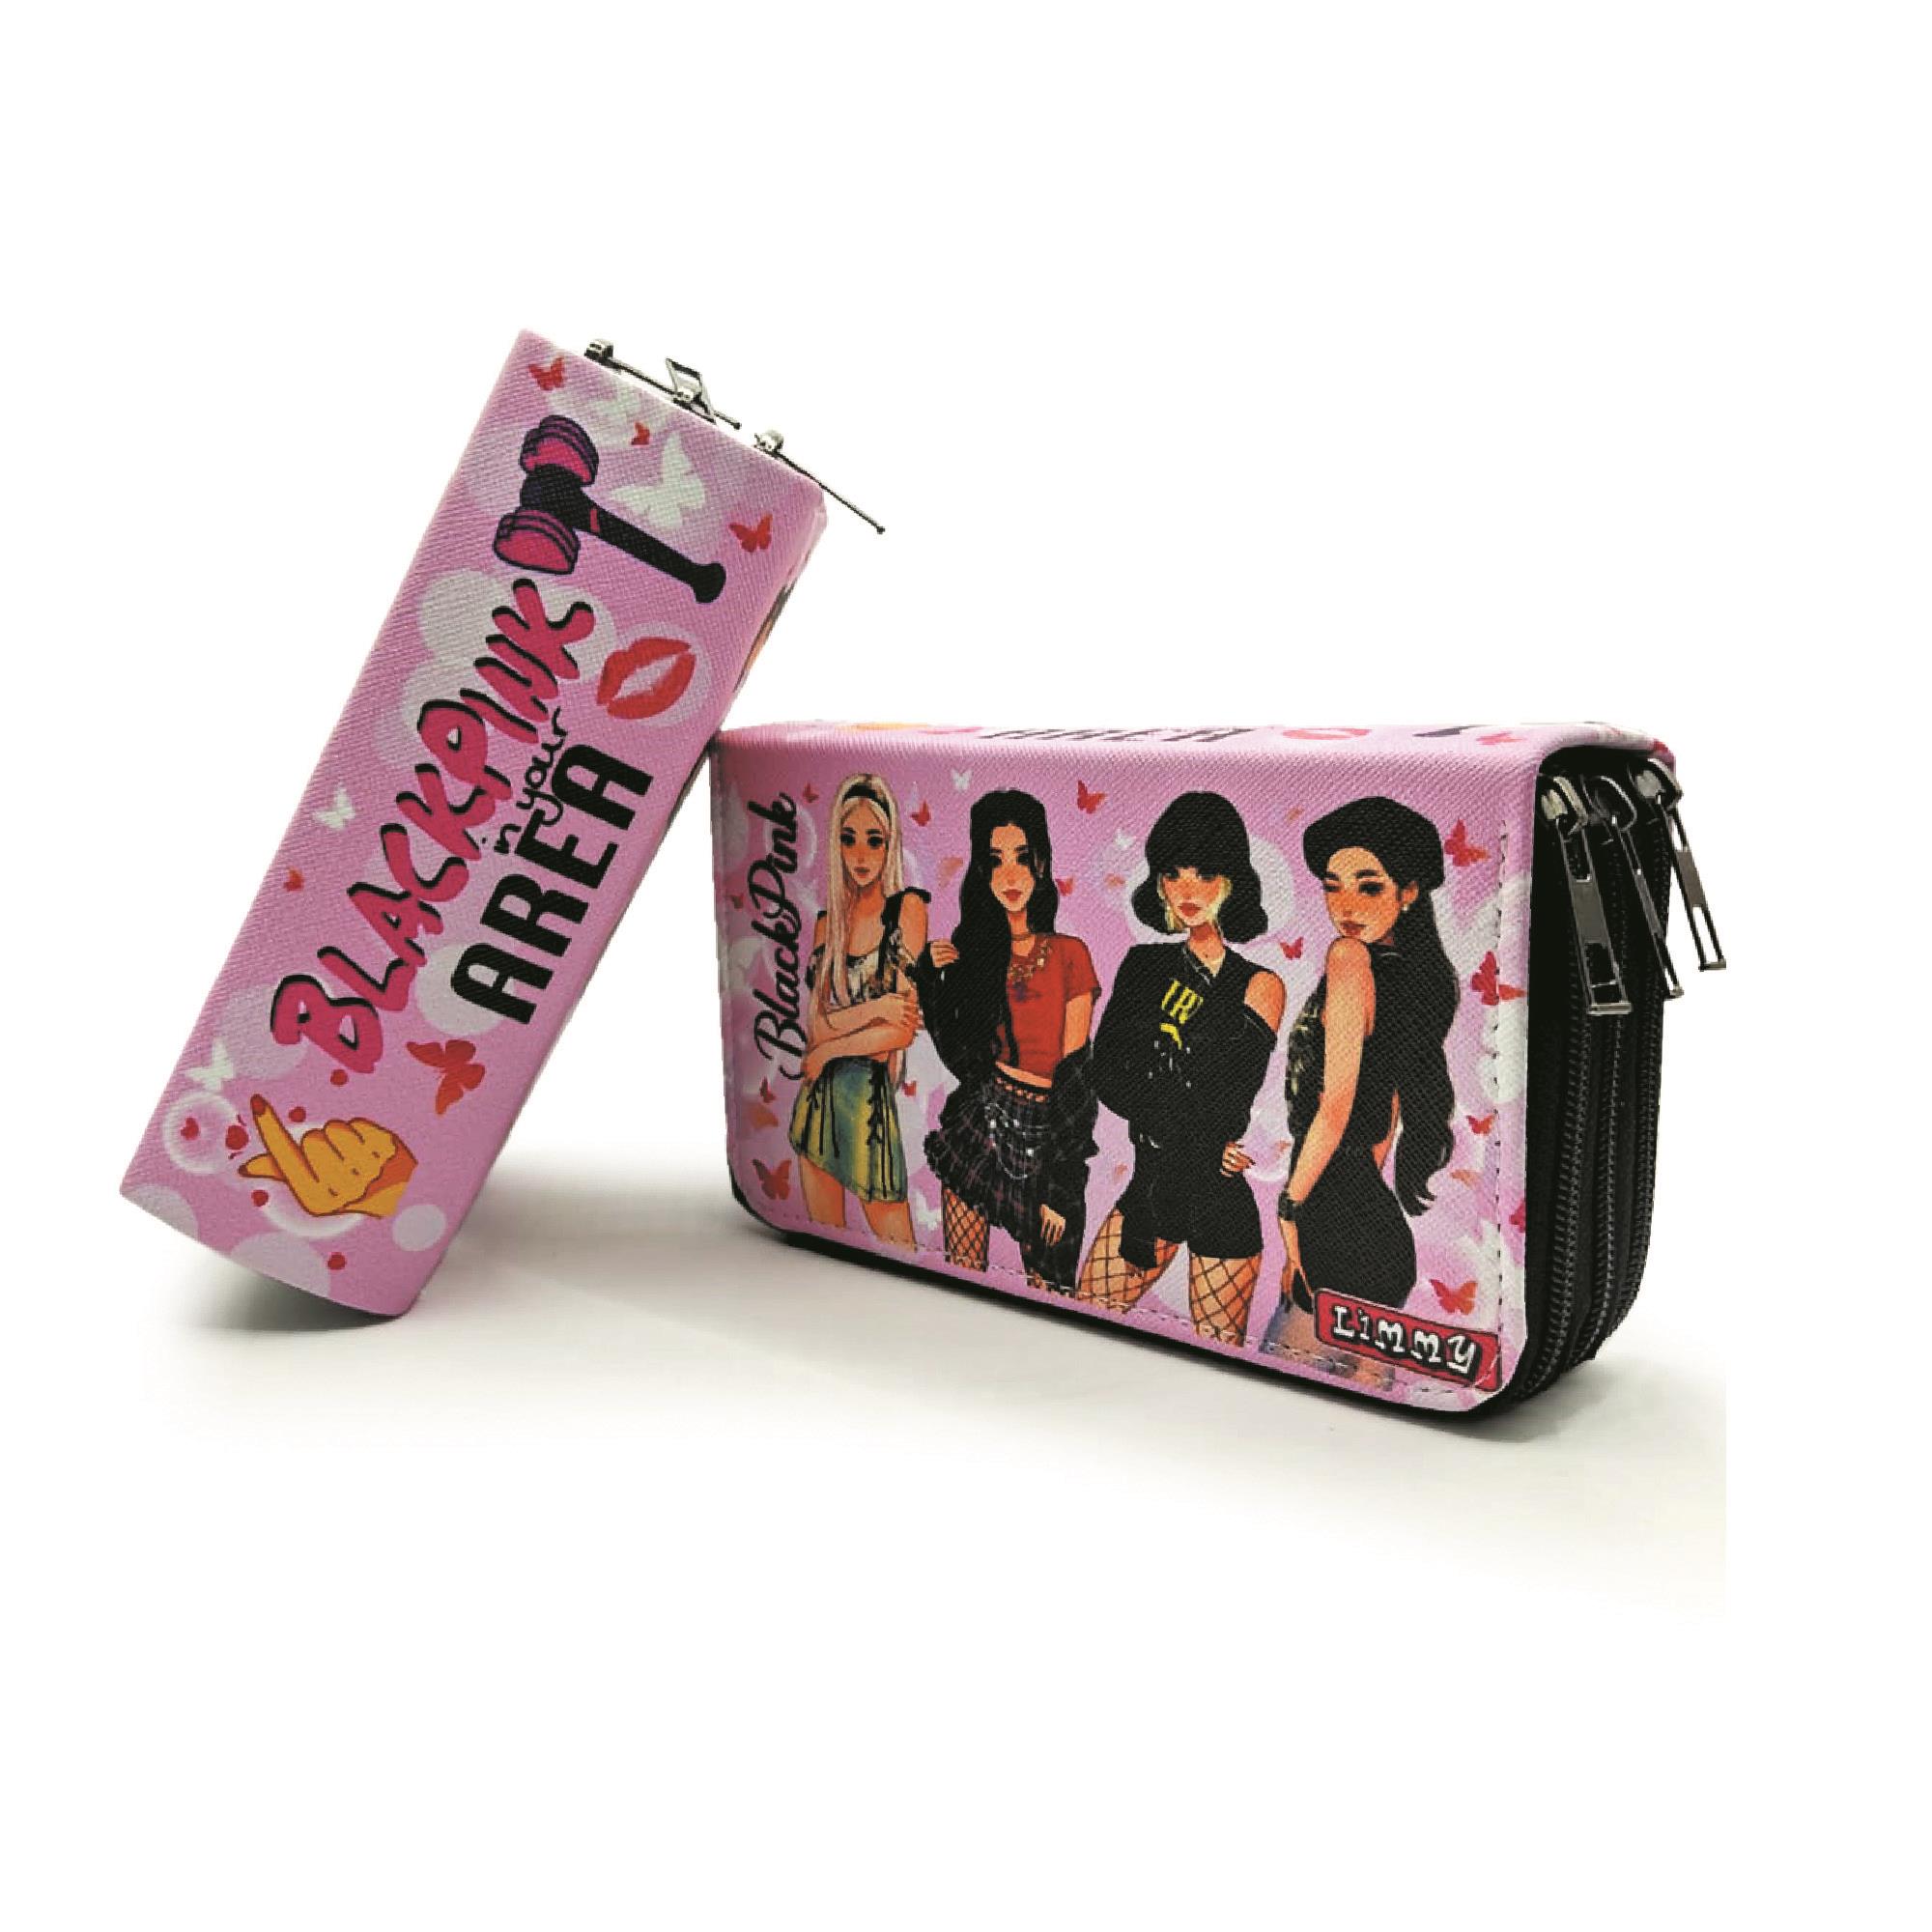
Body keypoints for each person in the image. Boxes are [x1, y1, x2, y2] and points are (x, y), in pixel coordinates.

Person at [1076, 792, 1284, 1345]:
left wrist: (1175, 1116)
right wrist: (1201, 1136)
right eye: (1173, 873)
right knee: (1084, 1315)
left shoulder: (1260, 986)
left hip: (1219, 1198)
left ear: (1232, 880)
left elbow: (1229, 1099)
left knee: (1221, 1360)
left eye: (1206, 873)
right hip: (1151, 1188)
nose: (1188, 890)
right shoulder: (1142, 966)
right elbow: (1107, 1074)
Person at [1264, 795, 1459, 1372]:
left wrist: (1292, 1206)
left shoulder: (1350, 958)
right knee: (1366, 1397)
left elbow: (1335, 1105)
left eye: (1368, 887)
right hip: (1376, 1228)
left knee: (1287, 1383)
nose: (1345, 906)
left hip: (1328, 1213)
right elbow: (1387, 1118)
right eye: (1333, 886)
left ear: (1409, 891)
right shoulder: (1413, 977)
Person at [917, 790, 1100, 1290]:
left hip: (1049, 1135)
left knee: (1052, 1289)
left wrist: (1062, 1185)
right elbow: (962, 1059)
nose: (1011, 875)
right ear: (982, 870)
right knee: (962, 1279)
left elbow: (1076, 1078)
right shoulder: (976, 955)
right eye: (995, 860)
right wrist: (931, 984)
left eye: (1022, 857)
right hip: (982, 1122)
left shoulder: (1070, 954)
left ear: (1041, 862)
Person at [789, 774, 927, 1245]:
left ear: (891, 844)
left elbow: (900, 1032)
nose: (862, 855)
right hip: (819, 1099)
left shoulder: (907, 910)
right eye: (848, 840)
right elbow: (816, 1025)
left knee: (901, 1246)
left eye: (875, 840)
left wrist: (829, 1049)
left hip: (868, 1101)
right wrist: (877, 1008)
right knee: (822, 1242)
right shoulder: (828, 925)